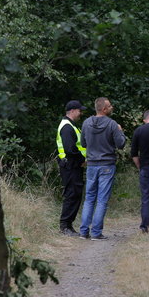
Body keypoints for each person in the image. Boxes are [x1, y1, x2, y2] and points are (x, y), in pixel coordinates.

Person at [79, 97, 126, 240]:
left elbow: (83, 143)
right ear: (104, 109)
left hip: (92, 165)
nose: (112, 107)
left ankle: (83, 231)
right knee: (102, 200)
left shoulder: (86, 123)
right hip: (107, 165)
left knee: (89, 199)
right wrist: (120, 131)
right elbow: (121, 144)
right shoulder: (112, 124)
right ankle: (96, 233)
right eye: (110, 106)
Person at [56, 100, 87, 236]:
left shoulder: (70, 125)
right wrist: (82, 160)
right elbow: (70, 149)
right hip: (71, 166)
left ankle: (68, 225)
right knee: (71, 195)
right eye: (79, 111)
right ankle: (65, 226)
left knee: (75, 195)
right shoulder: (67, 127)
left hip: (72, 166)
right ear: (73, 111)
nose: (81, 113)